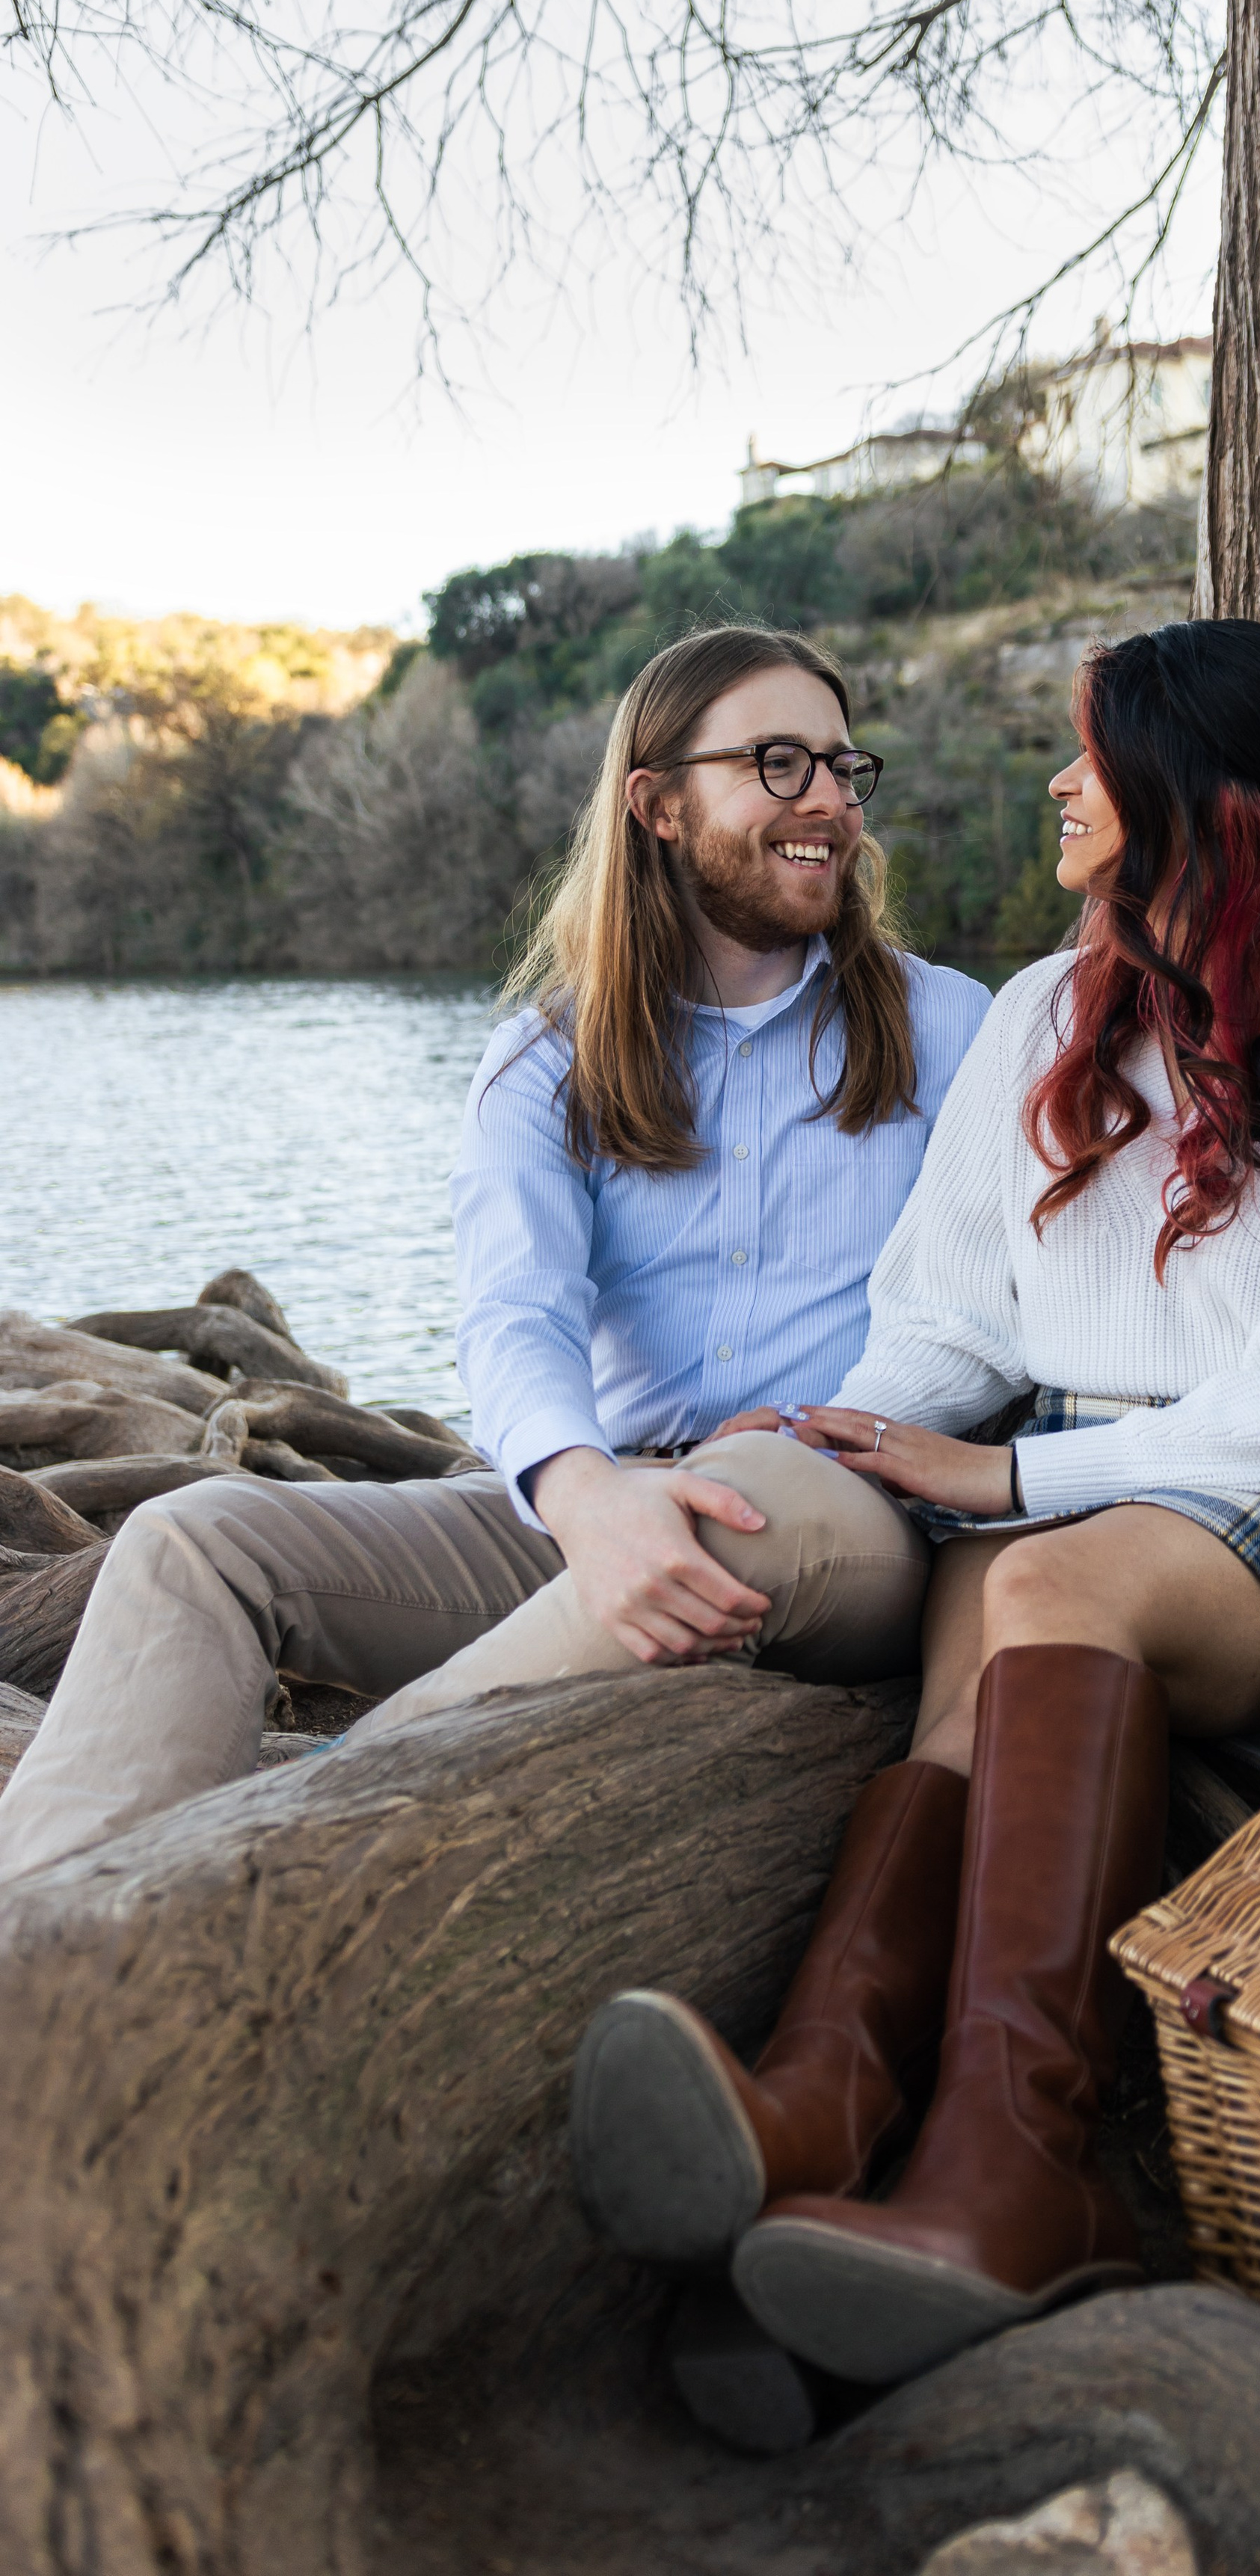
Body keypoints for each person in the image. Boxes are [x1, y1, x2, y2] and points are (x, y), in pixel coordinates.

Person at [571, 616, 1260, 2385]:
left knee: (1039, 1586)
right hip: (1042, 1496)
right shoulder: (1033, 1017)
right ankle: (818, 2106)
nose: (1061, 787)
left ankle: (1026, 2162)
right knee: (974, 1635)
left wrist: (1015, 1473)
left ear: (1195, 799)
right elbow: (946, 1314)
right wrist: (856, 1428)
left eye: (1093, 756)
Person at [0, 627, 990, 1884]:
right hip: (622, 1496)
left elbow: (1006, 1312)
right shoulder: (546, 1061)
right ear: (660, 806)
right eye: (779, 764)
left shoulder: (955, 1027)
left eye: (846, 769)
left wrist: (838, 1425)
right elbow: (516, 1316)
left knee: (748, 1494)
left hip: (844, 1522)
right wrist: (587, 1497)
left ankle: (298, 1824)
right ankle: (38, 1948)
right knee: (195, 1538)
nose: (830, 804)